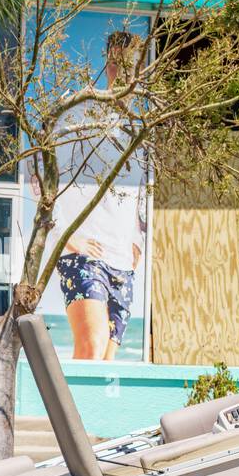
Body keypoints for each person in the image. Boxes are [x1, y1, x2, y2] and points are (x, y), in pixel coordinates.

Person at [47, 29, 147, 360]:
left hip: (122, 260)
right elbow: (49, 178)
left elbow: (142, 193)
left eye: (129, 64)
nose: (121, 72)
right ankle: (63, 415)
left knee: (107, 362)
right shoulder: (81, 114)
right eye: (115, 63)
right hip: (84, 253)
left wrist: (138, 241)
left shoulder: (140, 128)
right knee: (92, 346)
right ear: (107, 65)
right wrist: (68, 236)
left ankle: (75, 415)